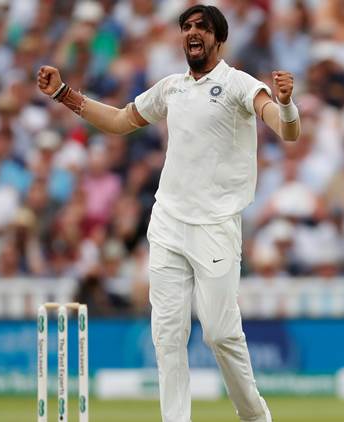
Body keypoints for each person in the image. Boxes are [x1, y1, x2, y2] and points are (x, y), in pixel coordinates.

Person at [37, 4, 300, 422]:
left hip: (215, 226)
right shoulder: (171, 88)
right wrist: (63, 94)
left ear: (219, 38)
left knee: (219, 333)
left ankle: (255, 416)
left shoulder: (238, 84)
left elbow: (286, 130)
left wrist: (286, 105)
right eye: (186, 27)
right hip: (168, 223)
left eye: (201, 27)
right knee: (167, 335)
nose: (191, 33)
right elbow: (122, 120)